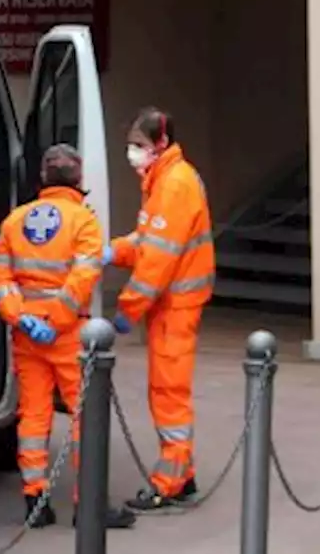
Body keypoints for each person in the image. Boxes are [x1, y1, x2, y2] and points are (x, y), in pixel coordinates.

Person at [0, 144, 137, 530]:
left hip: (27, 336)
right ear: (79, 180)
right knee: (85, 417)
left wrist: (21, 317)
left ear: (41, 179)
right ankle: (88, 505)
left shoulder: (14, 221)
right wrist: (56, 319)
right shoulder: (83, 222)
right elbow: (83, 278)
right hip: (69, 336)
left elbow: (0, 279)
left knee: (33, 417)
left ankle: (35, 500)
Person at [103, 107, 214, 512]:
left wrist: (127, 310)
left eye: (140, 146)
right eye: (131, 145)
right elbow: (148, 241)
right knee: (168, 390)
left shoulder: (172, 184)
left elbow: (157, 260)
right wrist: (112, 251)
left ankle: (169, 482)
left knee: (168, 392)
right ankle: (181, 475)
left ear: (161, 144)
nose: (133, 153)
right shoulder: (164, 179)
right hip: (175, 302)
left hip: (176, 304)